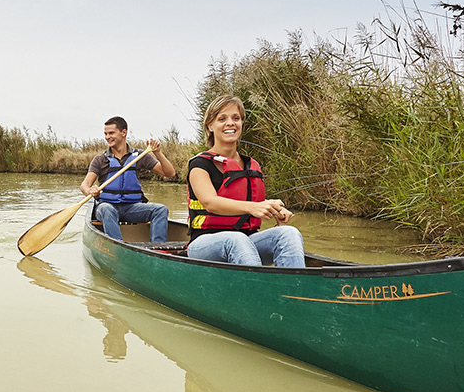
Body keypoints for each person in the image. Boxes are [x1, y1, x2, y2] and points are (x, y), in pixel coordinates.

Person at [185, 94, 305, 267]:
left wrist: (273, 209)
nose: (230, 123)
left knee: (289, 234)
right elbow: (210, 202)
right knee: (236, 239)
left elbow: (250, 202)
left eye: (236, 118)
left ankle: (293, 290)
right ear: (210, 125)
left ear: (241, 124)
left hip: (247, 242)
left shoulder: (250, 165)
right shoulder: (199, 165)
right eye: (222, 118)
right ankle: (256, 292)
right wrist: (255, 207)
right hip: (204, 245)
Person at [79, 116, 176, 242]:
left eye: (111, 133)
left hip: (132, 208)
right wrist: (90, 190)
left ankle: (157, 249)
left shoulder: (139, 156)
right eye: (106, 134)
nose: (107, 137)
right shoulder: (100, 159)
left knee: (160, 209)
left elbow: (170, 173)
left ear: (123, 132)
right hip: (107, 207)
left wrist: (158, 153)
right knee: (107, 209)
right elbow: (84, 185)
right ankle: (119, 247)